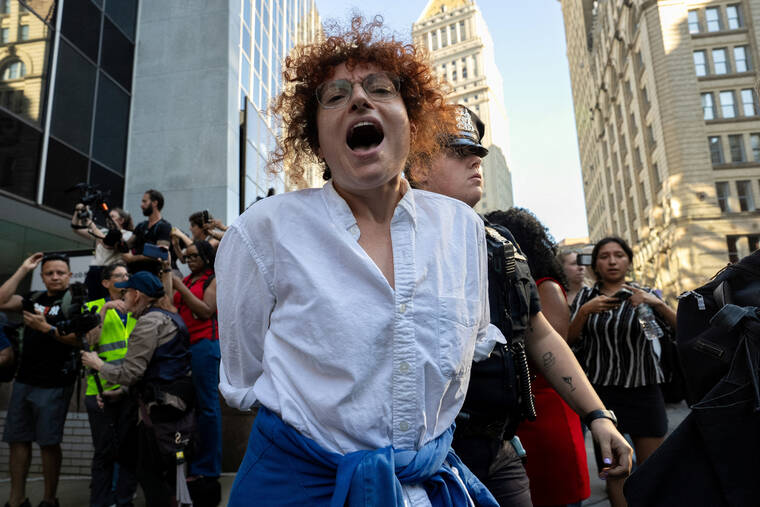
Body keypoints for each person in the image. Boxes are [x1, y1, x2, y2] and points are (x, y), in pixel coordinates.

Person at [217, 16, 503, 506]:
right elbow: (245, 379)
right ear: (317, 138)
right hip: (297, 491)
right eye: (335, 96)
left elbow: (469, 348)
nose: (359, 99)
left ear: (412, 122)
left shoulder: (464, 229)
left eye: (380, 88)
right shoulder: (261, 231)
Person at [411, 105, 631, 506]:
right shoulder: (386, 242)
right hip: (422, 463)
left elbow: (540, 335)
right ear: (418, 166)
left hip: (500, 454)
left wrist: (598, 416)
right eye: (457, 152)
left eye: (476, 150)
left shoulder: (501, 244)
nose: (476, 159)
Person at [486, 208, 590, 507]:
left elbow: (548, 348)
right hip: (519, 412)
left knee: (556, 493)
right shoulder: (504, 286)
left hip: (547, 408)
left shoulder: (545, 286)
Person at [568, 236, 677, 507]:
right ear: (595, 264)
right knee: (616, 472)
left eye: (619, 255)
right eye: (604, 256)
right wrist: (583, 312)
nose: (612, 261)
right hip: (602, 398)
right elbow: (566, 342)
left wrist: (658, 304)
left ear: (628, 260)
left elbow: (684, 330)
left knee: (653, 471)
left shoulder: (647, 292)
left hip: (645, 391)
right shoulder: (586, 297)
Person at [81, 271, 194, 507]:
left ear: (137, 295)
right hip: (174, 406)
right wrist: (120, 393)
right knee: (155, 470)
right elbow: (155, 367)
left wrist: (97, 364)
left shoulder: (148, 322)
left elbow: (132, 373)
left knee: (150, 474)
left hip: (159, 411)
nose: (125, 297)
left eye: (126, 292)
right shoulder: (170, 317)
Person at [0, 253, 84, 507]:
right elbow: (2, 300)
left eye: (60, 272)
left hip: (56, 382)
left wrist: (45, 328)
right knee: (18, 440)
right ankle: (16, 499)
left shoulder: (76, 300)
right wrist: (24, 269)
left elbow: (81, 339)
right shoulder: (33, 299)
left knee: (48, 443)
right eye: (49, 273)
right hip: (24, 379)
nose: (55, 277)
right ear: (43, 276)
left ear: (69, 275)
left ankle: (49, 499)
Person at [82, 262, 138, 507]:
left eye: (127, 274)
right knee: (104, 452)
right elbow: (89, 343)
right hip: (100, 390)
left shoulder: (139, 308)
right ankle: (100, 502)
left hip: (131, 389)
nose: (125, 278)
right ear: (105, 283)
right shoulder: (92, 307)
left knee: (129, 451)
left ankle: (124, 500)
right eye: (119, 275)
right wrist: (103, 310)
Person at [171, 241, 221, 505]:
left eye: (193, 256)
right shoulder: (188, 278)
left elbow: (205, 311)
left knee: (207, 407)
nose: (188, 260)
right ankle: (189, 462)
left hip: (205, 345)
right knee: (186, 407)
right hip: (183, 346)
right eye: (186, 256)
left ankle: (208, 467)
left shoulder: (214, 278)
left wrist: (179, 286)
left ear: (206, 257)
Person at [71, 206, 134, 300]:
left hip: (111, 271)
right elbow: (76, 229)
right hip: (94, 271)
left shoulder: (127, 234)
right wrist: (78, 211)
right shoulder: (103, 231)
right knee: (89, 301)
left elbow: (108, 243)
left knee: (109, 300)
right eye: (108, 217)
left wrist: (92, 225)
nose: (108, 219)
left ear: (121, 220)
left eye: (112, 217)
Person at [123, 189, 172, 276]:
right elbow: (127, 245)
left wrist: (132, 258)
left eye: (144, 201)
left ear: (155, 203)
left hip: (152, 275)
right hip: (133, 273)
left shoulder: (164, 226)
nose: (141, 205)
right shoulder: (141, 226)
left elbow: (161, 254)